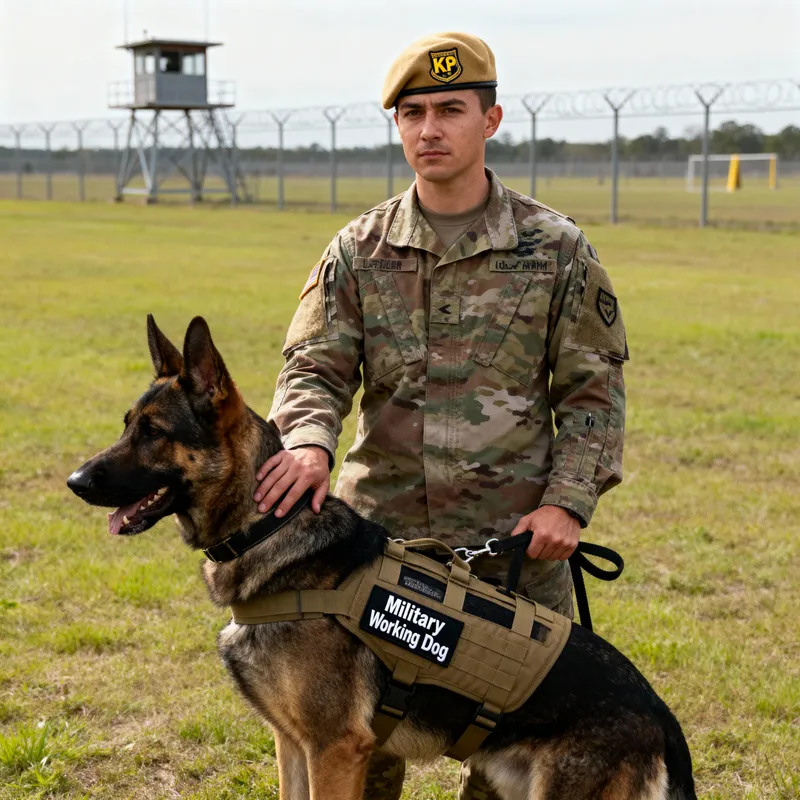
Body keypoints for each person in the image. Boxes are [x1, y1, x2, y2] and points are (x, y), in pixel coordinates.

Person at [256, 31, 628, 800]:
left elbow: (593, 393)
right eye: (412, 113)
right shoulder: (358, 251)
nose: (429, 129)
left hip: (517, 552)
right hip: (377, 553)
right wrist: (308, 445)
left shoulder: (555, 250)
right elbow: (313, 368)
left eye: (450, 110)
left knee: (513, 756)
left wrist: (567, 501)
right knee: (361, 743)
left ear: (490, 122)